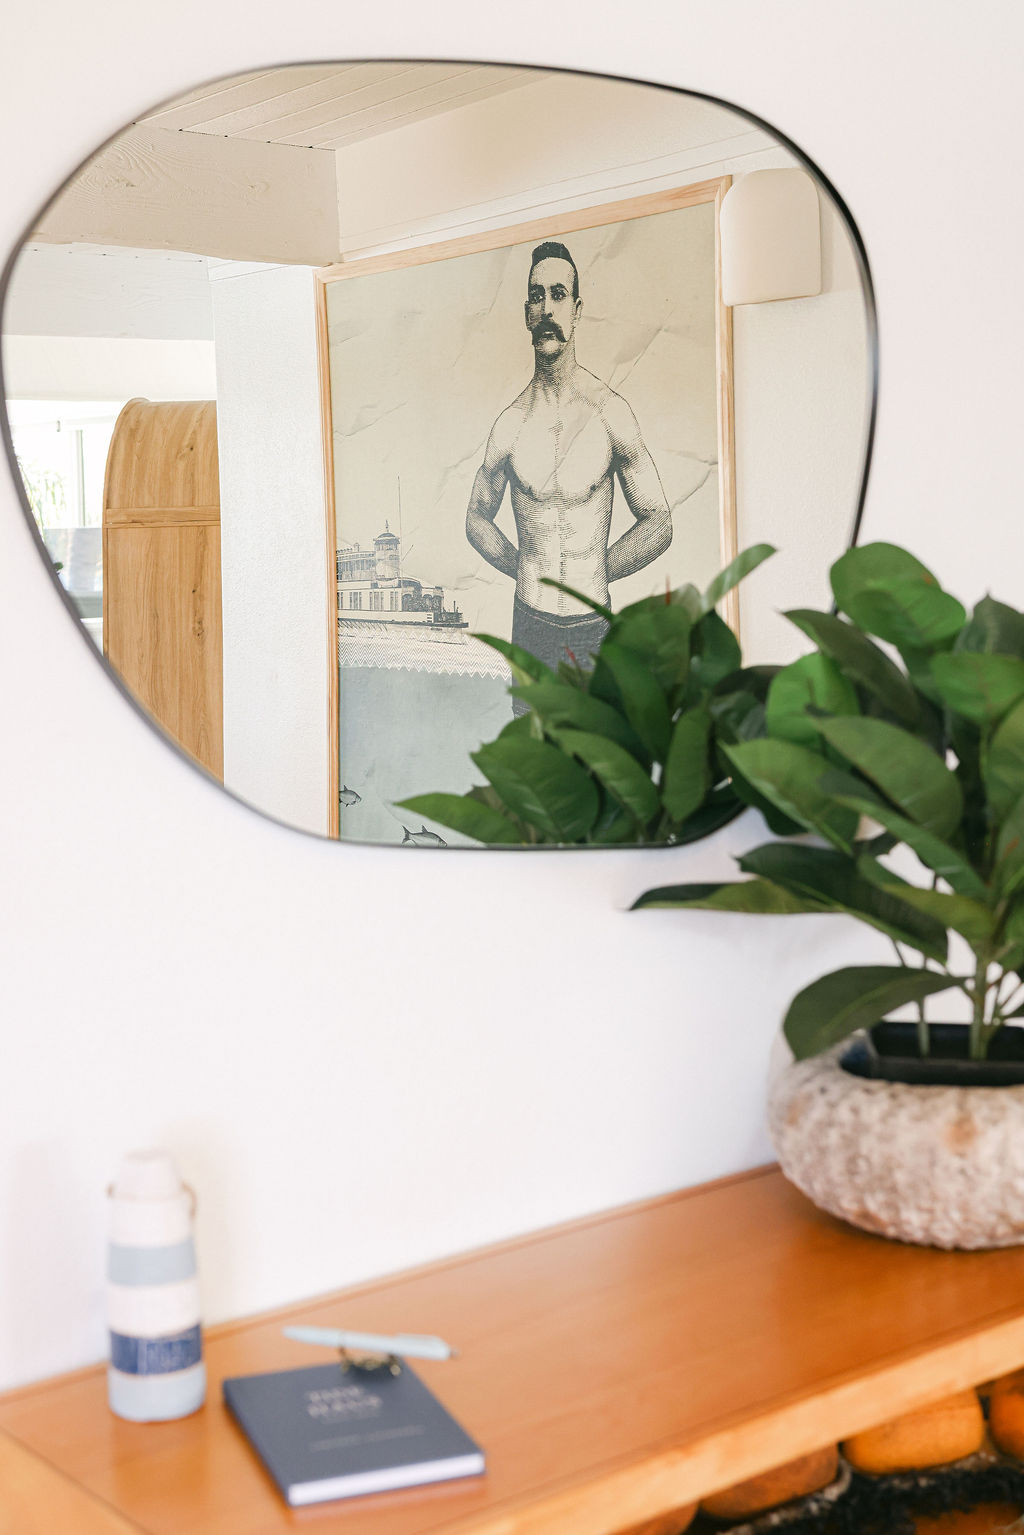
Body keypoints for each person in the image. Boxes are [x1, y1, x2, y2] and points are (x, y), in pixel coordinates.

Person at [465, 239, 672, 685]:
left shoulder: (609, 413)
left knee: (596, 750)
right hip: (531, 624)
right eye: (537, 297)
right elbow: (476, 519)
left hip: (592, 627)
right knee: (533, 752)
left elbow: (659, 523)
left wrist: (595, 568)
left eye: (558, 295)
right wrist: (522, 565)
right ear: (526, 314)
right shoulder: (511, 425)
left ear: (577, 310)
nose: (547, 310)